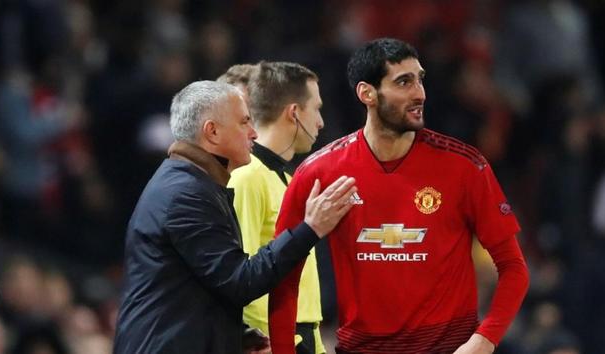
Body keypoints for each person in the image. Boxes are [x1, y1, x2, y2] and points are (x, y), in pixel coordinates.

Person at [268, 38, 530, 354]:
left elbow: (513, 267)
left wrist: (484, 340)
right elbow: (284, 276)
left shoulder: (464, 166)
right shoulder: (318, 172)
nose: (419, 92)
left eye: (420, 80)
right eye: (404, 82)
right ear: (367, 93)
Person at [113, 80, 357, 354]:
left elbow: (196, 285)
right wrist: (309, 228)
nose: (253, 133)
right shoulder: (185, 194)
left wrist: (235, 335)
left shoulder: (193, 183)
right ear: (212, 131)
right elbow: (241, 281)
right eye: (244, 123)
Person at [227, 61, 326, 354]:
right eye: (317, 108)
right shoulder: (247, 177)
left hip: (303, 335)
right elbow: (236, 274)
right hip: (275, 340)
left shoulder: (289, 179)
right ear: (294, 112)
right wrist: (264, 340)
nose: (321, 122)